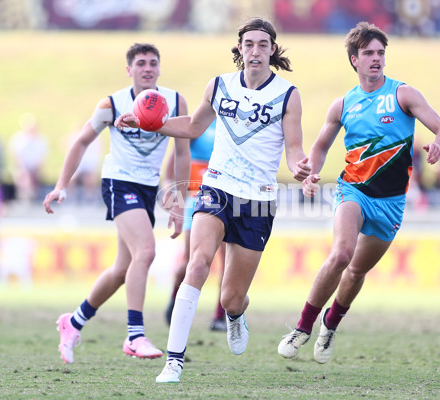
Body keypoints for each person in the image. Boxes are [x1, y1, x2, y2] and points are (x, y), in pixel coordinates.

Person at [115, 17, 311, 383]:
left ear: (272, 50)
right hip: (217, 187)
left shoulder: (288, 94)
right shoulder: (219, 85)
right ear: (239, 48)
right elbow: (191, 127)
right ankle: (173, 362)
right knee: (198, 262)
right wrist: (147, 122)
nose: (255, 50)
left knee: (230, 298)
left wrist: (302, 168)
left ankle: (236, 316)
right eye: (249, 44)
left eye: (263, 44)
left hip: (257, 200)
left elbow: (294, 148)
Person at [277, 21, 440, 364]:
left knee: (357, 271)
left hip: (390, 203)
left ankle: (330, 324)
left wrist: (438, 145)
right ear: (354, 60)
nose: (377, 59)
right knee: (341, 254)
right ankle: (302, 327)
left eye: (381, 53)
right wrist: (309, 174)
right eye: (369, 53)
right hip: (353, 190)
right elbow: (320, 147)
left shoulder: (403, 94)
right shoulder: (342, 105)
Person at [43, 43, 190, 364]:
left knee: (123, 269)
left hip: (148, 187)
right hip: (118, 182)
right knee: (147, 252)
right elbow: (82, 141)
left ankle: (74, 321)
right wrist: (60, 185)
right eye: (140, 63)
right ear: (129, 70)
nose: (148, 68)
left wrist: (179, 201)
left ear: (160, 69)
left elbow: (182, 152)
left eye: (153, 63)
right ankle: (135, 335)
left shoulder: (176, 101)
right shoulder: (111, 104)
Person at [162, 119, 227, 332]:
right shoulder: (200, 124)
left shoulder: (238, 124)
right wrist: (171, 192)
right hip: (197, 200)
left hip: (229, 200)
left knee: (227, 263)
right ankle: (175, 298)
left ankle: (220, 316)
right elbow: (171, 169)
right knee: (192, 260)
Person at [9, 112, 48, 202]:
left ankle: (33, 197)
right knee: (23, 176)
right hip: (22, 167)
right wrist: (23, 168)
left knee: (34, 176)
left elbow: (41, 158)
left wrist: (35, 167)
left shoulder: (41, 140)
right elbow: (16, 156)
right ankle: (24, 198)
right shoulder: (18, 139)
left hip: (35, 167)